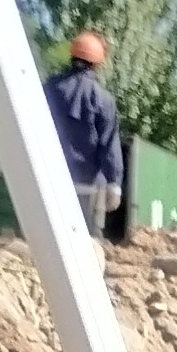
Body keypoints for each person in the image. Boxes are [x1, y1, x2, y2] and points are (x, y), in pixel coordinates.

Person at [43, 29, 124, 240]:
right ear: (98, 63)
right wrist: (114, 183)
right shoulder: (103, 99)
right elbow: (109, 144)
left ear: (72, 56)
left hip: (51, 180)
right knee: (89, 242)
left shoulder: (49, 89)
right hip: (89, 187)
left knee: (52, 238)